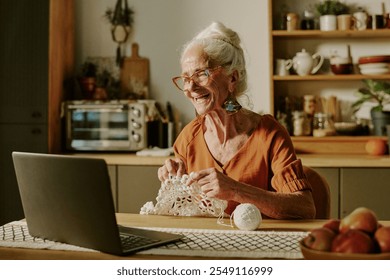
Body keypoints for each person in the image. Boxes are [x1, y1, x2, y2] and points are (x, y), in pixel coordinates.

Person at [157, 22, 316, 219]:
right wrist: (172, 179)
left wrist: (236, 190)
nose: (190, 88)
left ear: (232, 78)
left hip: (260, 247)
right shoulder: (187, 139)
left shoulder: (269, 135)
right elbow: (181, 211)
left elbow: (305, 208)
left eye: (201, 74)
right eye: (185, 78)